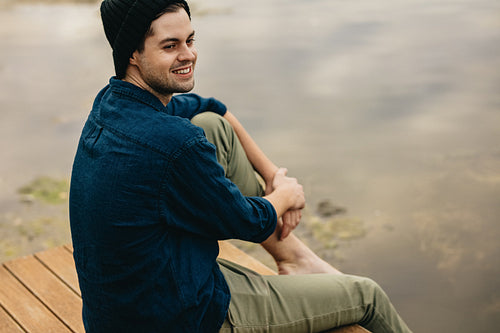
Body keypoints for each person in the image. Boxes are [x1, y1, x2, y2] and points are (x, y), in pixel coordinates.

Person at [69, 0, 413, 332]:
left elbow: (212, 108)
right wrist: (286, 194)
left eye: (190, 40)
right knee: (367, 296)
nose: (188, 54)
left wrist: (272, 173)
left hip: (130, 305)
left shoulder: (110, 105)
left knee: (211, 126)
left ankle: (294, 259)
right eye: (170, 46)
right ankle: (296, 261)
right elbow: (247, 221)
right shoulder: (175, 144)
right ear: (132, 53)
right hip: (182, 317)